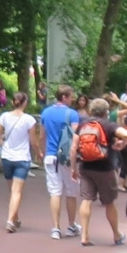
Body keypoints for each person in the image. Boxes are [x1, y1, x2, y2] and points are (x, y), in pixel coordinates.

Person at [72, 97, 126, 247]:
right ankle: (116, 234)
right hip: (104, 167)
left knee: (86, 199)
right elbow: (126, 134)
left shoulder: (82, 125)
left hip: (85, 166)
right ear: (106, 111)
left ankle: (84, 235)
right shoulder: (108, 125)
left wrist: (73, 167)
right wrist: (121, 145)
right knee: (109, 202)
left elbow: (74, 147)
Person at [38, 85, 81, 240]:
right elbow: (76, 138)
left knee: (55, 192)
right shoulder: (72, 114)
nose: (73, 99)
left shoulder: (46, 112)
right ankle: (71, 225)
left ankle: (56, 228)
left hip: (51, 156)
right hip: (67, 157)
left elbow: (42, 136)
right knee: (71, 192)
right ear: (64, 97)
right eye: (71, 96)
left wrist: (42, 153)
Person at [0, 90, 36, 233]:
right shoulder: (29, 120)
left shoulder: (4, 116)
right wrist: (39, 153)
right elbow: (33, 141)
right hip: (22, 158)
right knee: (17, 191)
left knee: (12, 190)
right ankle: (10, 221)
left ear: (13, 102)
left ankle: (15, 218)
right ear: (25, 103)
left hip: (7, 158)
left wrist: (5, 146)